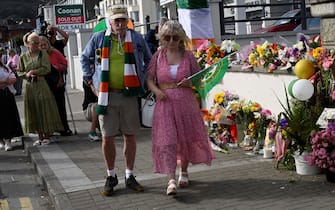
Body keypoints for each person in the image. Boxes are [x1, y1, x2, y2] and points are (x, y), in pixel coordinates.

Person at [80, 5, 152, 196]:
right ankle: (111, 175)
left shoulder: (135, 37)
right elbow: (84, 58)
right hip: (106, 95)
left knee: (130, 135)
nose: (120, 24)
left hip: (129, 94)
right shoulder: (98, 38)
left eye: (123, 20)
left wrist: (141, 80)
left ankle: (129, 175)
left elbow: (148, 59)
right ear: (109, 22)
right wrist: (91, 82)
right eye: (116, 20)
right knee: (107, 136)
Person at [146, 20, 214, 195]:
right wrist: (156, 91)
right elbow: (149, 79)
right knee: (168, 141)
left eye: (175, 37)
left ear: (180, 38)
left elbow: (200, 78)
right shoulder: (158, 56)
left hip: (185, 102)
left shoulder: (188, 56)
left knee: (184, 138)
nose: (171, 41)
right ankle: (170, 179)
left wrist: (189, 82)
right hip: (165, 103)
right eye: (167, 37)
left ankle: (183, 171)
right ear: (162, 38)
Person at [17, 31, 63, 146]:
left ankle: (47, 135)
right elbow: (19, 71)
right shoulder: (23, 56)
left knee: (44, 108)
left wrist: (35, 71)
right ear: (28, 43)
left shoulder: (43, 54)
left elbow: (47, 68)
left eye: (37, 43)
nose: (36, 45)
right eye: (34, 43)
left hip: (41, 84)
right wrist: (26, 75)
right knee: (34, 109)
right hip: (29, 86)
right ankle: (40, 136)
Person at [39, 35, 72, 136]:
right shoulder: (37, 56)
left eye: (45, 44)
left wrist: (56, 66)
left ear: (48, 44)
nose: (43, 47)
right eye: (41, 45)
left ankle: (63, 128)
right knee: (47, 108)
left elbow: (65, 64)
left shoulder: (55, 52)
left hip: (57, 84)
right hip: (44, 85)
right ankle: (50, 129)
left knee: (60, 107)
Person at [0, 60, 24, 151]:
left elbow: (13, 79)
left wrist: (5, 82)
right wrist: (5, 81)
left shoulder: (5, 68)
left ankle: (8, 141)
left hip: (6, 95)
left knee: (8, 118)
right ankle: (1, 141)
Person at [82, 62, 100, 141]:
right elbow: (97, 94)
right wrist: (92, 84)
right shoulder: (87, 79)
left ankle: (100, 126)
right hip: (89, 109)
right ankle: (92, 131)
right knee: (97, 106)